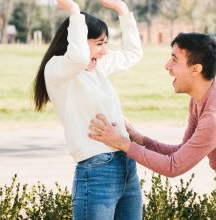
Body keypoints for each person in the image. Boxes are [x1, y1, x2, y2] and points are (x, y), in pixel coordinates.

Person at [88, 33, 216, 220]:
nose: (167, 66)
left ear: (195, 69)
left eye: (174, 60)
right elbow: (179, 152)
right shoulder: (200, 100)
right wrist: (137, 137)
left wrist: (123, 144)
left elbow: (173, 166)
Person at [33, 0, 143, 219]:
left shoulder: (95, 68)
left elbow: (133, 53)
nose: (104, 52)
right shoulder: (57, 69)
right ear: (77, 41)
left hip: (127, 163)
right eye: (99, 43)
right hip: (97, 170)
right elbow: (80, 56)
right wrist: (74, 12)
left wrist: (122, 10)